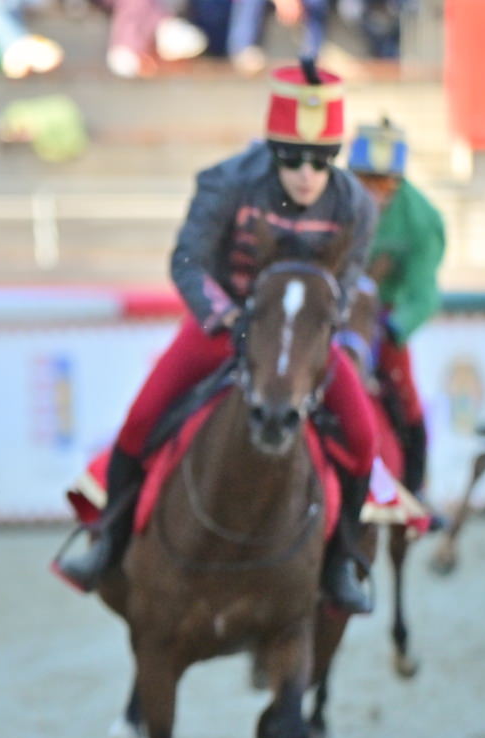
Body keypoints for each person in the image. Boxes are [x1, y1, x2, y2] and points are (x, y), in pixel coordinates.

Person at [59, 62, 380, 613]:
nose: (307, 174)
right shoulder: (227, 182)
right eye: (292, 158)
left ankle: (340, 562)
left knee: (364, 437)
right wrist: (225, 315)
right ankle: (109, 540)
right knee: (140, 420)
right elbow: (187, 260)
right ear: (272, 149)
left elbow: (345, 283)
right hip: (224, 325)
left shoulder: (356, 205)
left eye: (321, 160)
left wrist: (323, 333)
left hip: (299, 338)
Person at [347, 116, 442, 501]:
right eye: (365, 181)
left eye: (386, 184)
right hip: (328, 307)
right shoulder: (327, 200)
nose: (375, 194)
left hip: (385, 315)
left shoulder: (422, 219)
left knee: (405, 394)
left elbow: (424, 293)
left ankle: (416, 488)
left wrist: (394, 327)